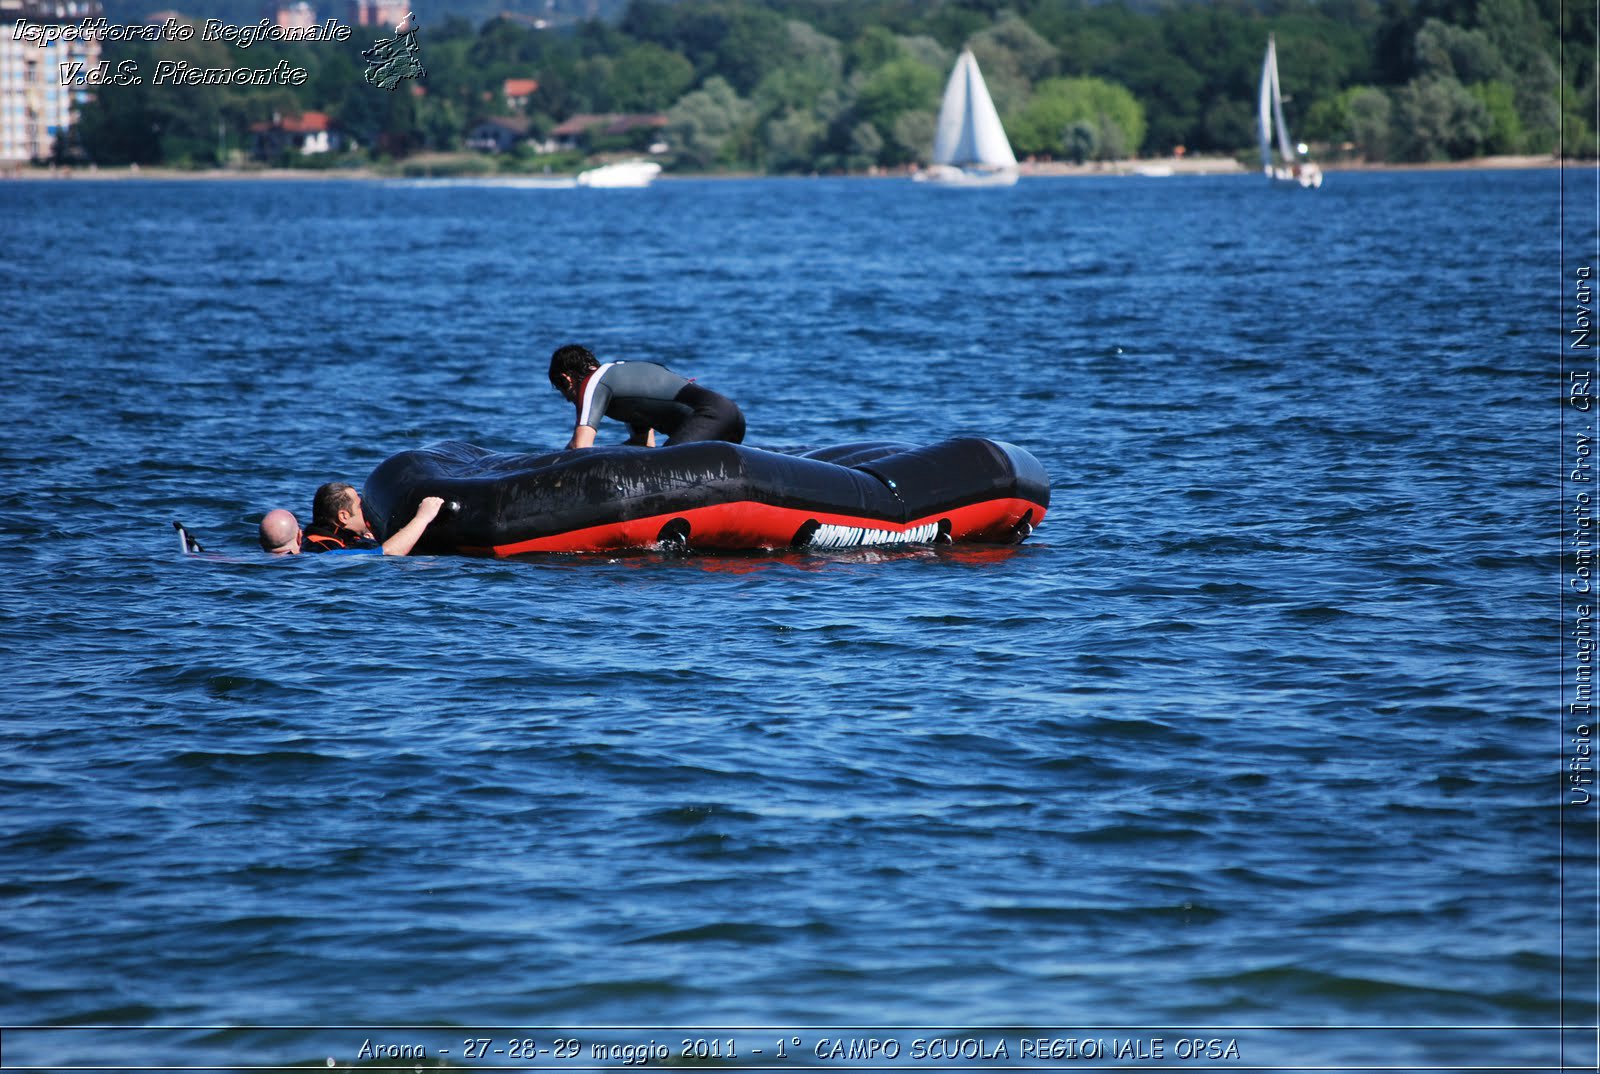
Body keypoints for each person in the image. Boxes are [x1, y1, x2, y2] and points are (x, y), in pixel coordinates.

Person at [547, 344, 745, 450]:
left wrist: (549, 467)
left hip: (710, 416)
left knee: (668, 468)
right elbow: (644, 444)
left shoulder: (594, 382)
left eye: (561, 389)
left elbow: (580, 446)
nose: (567, 399)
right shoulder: (621, 376)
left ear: (566, 379)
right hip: (731, 417)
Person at [299, 482, 445, 556]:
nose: (366, 510)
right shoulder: (323, 547)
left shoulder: (338, 537)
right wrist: (422, 518)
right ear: (344, 516)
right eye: (360, 506)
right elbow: (388, 553)